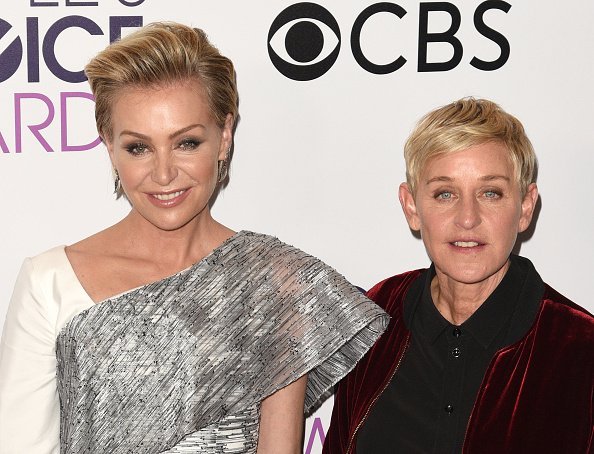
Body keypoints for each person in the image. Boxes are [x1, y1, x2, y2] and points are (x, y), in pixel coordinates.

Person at [0, 22, 389, 453]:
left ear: (224, 137)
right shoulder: (49, 281)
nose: (164, 174)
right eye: (138, 147)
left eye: (186, 142)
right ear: (109, 146)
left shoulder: (276, 282)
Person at [323, 98, 594, 454]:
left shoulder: (579, 348)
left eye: (490, 193)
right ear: (412, 207)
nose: (468, 218)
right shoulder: (376, 317)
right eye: (445, 193)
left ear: (525, 207)